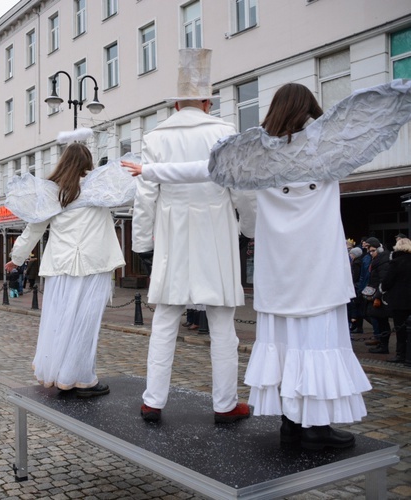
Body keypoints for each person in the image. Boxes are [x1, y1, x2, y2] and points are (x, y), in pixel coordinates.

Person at [125, 79, 411, 449]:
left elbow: (206, 169)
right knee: (299, 338)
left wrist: (149, 175)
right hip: (311, 266)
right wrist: (245, 229)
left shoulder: (255, 154)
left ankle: (285, 423)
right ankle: (298, 422)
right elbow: (231, 187)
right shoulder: (324, 149)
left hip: (268, 270)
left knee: (272, 340)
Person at [126, 49, 256, 424]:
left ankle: (153, 400)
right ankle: (225, 403)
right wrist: (249, 229)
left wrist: (143, 245)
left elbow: (145, 197)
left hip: (172, 233)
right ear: (205, 101)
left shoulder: (155, 137)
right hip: (214, 231)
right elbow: (241, 189)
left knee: (165, 320)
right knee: (222, 323)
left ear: (176, 103)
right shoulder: (224, 132)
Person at [4, 135, 135, 398]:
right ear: (88, 163)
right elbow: (129, 193)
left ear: (63, 163)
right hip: (93, 263)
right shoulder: (99, 188)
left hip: (61, 265)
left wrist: (16, 258)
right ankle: (82, 378)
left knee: (58, 321)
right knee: (85, 323)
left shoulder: (53, 192)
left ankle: (57, 373)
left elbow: (34, 229)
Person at [380, 238, 411, 366]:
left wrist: (383, 289)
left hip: (400, 300)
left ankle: (401, 354)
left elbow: (387, 281)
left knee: (400, 329)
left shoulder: (396, 263)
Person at [364, 238, 392, 354]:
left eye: (373, 250)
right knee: (375, 318)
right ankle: (381, 342)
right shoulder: (378, 261)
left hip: (379, 296)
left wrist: (377, 296)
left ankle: (383, 345)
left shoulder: (382, 262)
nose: (371, 253)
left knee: (382, 321)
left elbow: (383, 280)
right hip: (375, 293)